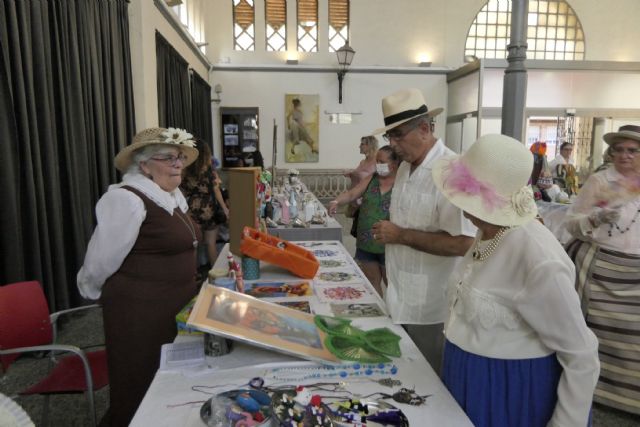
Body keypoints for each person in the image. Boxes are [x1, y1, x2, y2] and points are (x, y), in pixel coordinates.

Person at [434, 133, 599, 427]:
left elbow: (581, 354)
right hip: (465, 378)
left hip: (510, 391)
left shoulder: (539, 258)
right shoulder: (488, 232)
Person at [77, 127, 201, 427]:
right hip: (139, 312)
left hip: (170, 306)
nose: (177, 164)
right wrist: (94, 293)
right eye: (168, 158)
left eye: (180, 157)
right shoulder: (127, 199)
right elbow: (99, 261)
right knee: (140, 380)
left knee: (167, 381)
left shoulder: (170, 195)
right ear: (144, 165)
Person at [370, 88, 476, 374]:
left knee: (429, 382)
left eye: (398, 135)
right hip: (400, 298)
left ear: (425, 129)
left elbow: (464, 242)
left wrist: (400, 235)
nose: (393, 144)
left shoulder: (452, 172)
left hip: (432, 308)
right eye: (389, 137)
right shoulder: (405, 168)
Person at [564, 124, 640, 415]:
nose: (625, 155)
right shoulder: (599, 180)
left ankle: (625, 399)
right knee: (591, 333)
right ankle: (588, 390)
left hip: (635, 276)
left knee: (632, 338)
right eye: (619, 149)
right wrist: (595, 217)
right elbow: (571, 222)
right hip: (598, 271)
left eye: (632, 150)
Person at [328, 146, 400, 295]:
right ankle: (379, 315)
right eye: (377, 161)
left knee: (391, 283)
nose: (378, 165)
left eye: (382, 161)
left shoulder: (401, 183)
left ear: (393, 164)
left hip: (389, 243)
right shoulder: (372, 178)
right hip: (366, 241)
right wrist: (336, 201)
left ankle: (394, 315)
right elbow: (352, 194)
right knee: (372, 281)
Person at [181, 138, 226, 266]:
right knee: (211, 244)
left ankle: (194, 275)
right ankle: (215, 272)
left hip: (193, 211)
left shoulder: (186, 171)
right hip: (210, 210)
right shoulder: (210, 171)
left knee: (194, 245)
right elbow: (217, 190)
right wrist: (224, 208)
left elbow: (183, 192)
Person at [343, 135, 378, 236]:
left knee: (367, 231)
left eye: (362, 144)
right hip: (356, 201)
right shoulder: (363, 162)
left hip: (368, 202)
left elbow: (375, 179)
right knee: (357, 231)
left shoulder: (377, 162)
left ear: (370, 146)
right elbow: (359, 175)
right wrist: (350, 173)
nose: (359, 146)